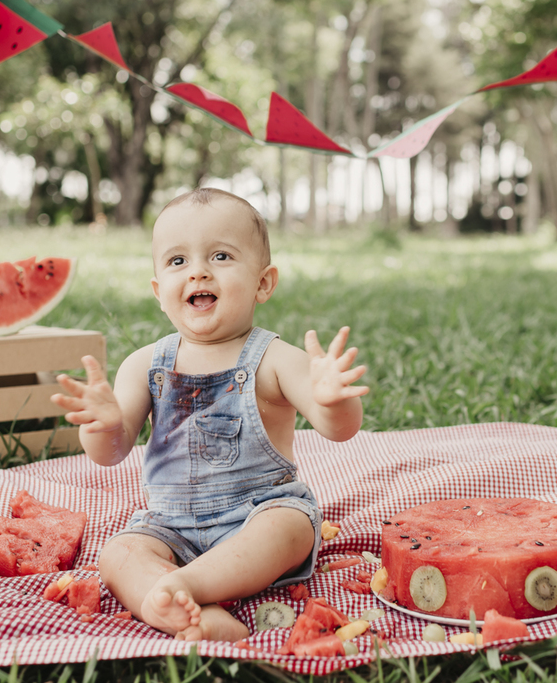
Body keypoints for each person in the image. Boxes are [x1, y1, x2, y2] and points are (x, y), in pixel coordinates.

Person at [52, 188, 369, 641]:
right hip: (169, 527)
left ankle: (179, 589)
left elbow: (338, 429)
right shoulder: (144, 365)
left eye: (220, 256)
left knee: (289, 527)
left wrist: (335, 400)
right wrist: (103, 427)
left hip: (258, 514)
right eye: (178, 261)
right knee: (117, 554)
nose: (198, 270)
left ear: (263, 282)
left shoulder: (274, 359)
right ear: (160, 292)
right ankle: (185, 610)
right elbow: (111, 452)